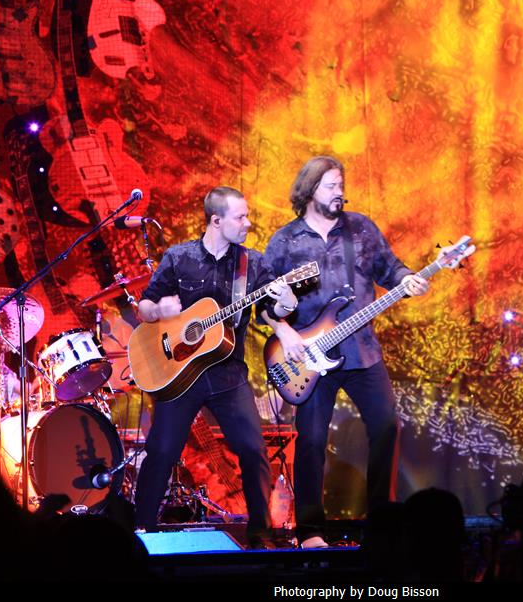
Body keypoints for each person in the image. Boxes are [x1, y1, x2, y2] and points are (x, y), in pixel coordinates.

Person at [262, 156, 429, 548]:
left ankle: (383, 526)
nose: (339, 192)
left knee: (386, 427)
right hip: (308, 357)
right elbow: (265, 302)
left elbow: (391, 268)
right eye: (331, 186)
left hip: (361, 350)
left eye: (341, 185)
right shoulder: (285, 241)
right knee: (310, 441)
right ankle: (310, 532)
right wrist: (284, 331)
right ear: (309, 190)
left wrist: (409, 279)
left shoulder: (361, 229)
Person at [133, 186, 297, 547]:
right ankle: (141, 533)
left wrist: (285, 303)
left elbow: (272, 311)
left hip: (228, 376)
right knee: (161, 451)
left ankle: (260, 535)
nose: (248, 223)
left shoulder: (253, 264)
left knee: (253, 450)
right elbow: (144, 307)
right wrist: (158, 310)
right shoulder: (178, 257)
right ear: (216, 221)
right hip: (180, 374)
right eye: (241, 217)